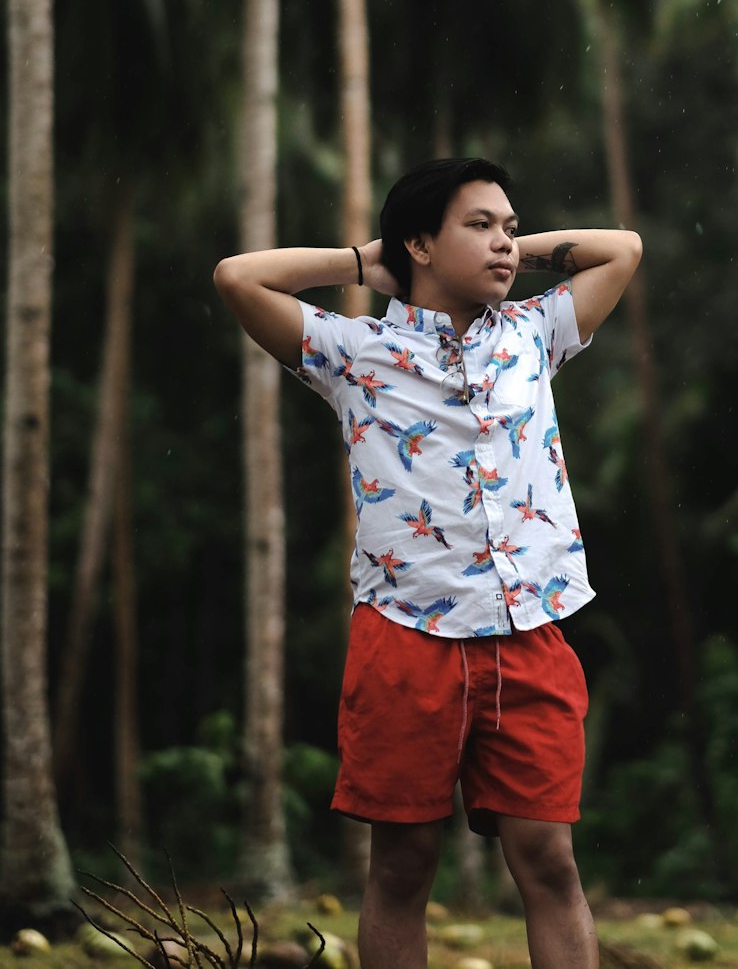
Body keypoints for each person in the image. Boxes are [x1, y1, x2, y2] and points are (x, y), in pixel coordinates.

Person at [214, 157, 642, 969]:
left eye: (511, 228)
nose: (506, 244)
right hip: (405, 637)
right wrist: (362, 265)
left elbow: (622, 248)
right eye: (480, 226)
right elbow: (239, 277)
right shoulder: (354, 351)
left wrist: (502, 254)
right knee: (404, 868)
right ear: (415, 241)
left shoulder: (534, 333)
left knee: (550, 863)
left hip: (531, 631)